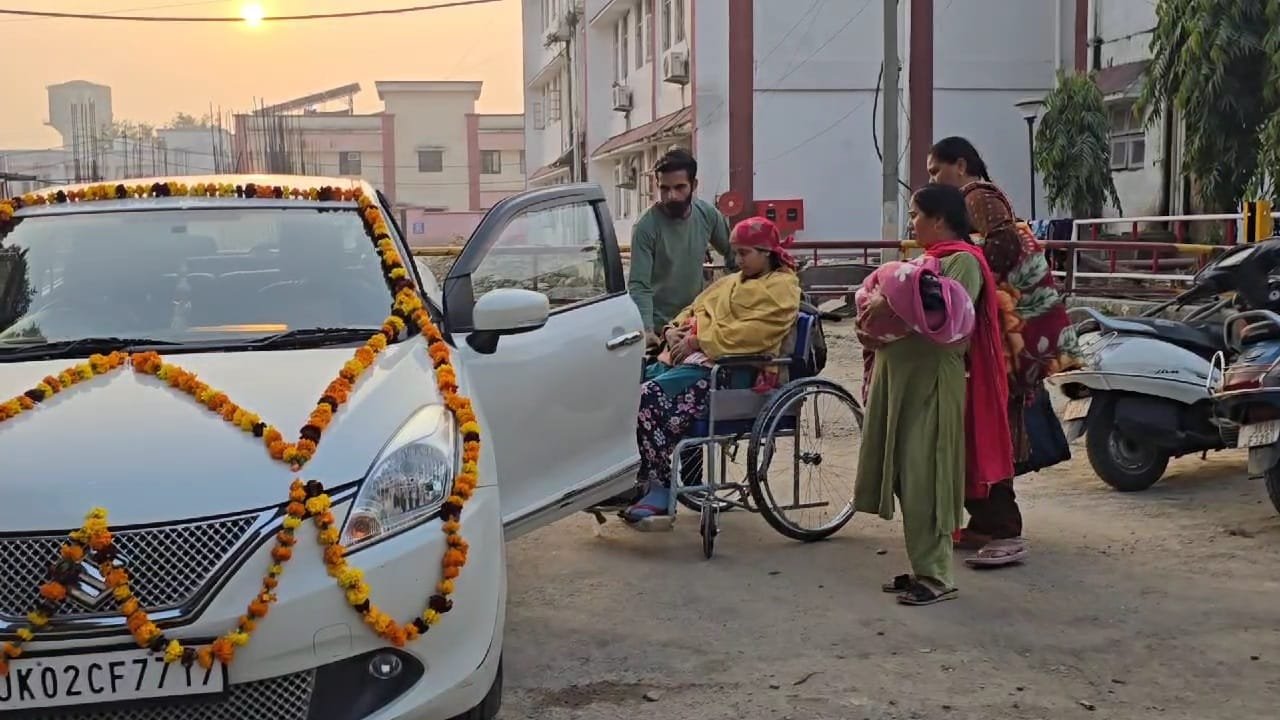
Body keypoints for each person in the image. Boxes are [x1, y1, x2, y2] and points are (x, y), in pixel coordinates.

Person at [854, 184, 1013, 605]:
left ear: (939, 219)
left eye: (915, 214)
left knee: (928, 475)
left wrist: (890, 305)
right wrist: (885, 306)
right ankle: (924, 565)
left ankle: (938, 575)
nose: (911, 223)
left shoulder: (964, 262)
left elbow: (944, 316)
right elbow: (889, 300)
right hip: (901, 381)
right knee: (905, 475)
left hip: (933, 383)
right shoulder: (927, 262)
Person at [927, 137, 1082, 567]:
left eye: (937, 170)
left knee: (991, 426)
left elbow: (1003, 247)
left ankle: (1004, 528)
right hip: (1005, 332)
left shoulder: (977, 197)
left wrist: (962, 270)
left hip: (1008, 337)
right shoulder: (979, 198)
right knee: (983, 425)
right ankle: (986, 521)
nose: (934, 179)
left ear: (961, 165)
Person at [623, 216, 801, 524]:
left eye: (744, 253)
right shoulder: (729, 282)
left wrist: (698, 340)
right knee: (623, 389)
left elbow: (755, 334)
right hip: (697, 361)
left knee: (649, 397)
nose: (737, 260)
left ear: (766, 252)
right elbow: (694, 309)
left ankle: (661, 487)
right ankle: (634, 478)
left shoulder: (782, 289)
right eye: (735, 252)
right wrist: (672, 331)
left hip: (733, 371)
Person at [628, 148, 735, 348]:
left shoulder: (707, 214)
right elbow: (639, 284)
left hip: (696, 320)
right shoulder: (645, 226)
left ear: (694, 185)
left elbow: (734, 253)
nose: (672, 196)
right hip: (661, 328)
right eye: (664, 188)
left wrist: (735, 292)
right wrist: (647, 330)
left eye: (680, 187)